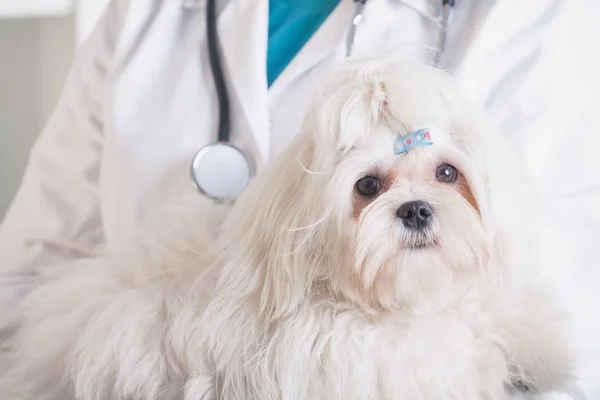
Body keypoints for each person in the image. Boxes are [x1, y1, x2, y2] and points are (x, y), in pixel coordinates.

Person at [1, 0, 599, 396]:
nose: (416, 202)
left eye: (445, 175)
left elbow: (571, 304)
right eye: (370, 188)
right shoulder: (141, 12)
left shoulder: (539, 16)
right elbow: (26, 276)